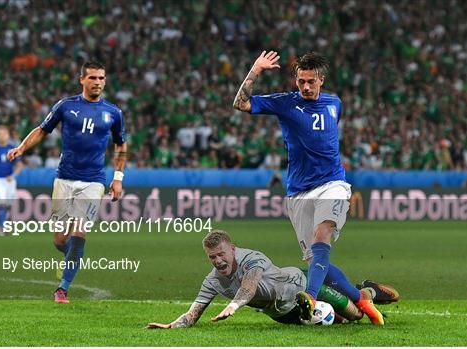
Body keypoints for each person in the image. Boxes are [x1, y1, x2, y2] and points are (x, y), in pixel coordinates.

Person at [232, 51, 385, 324]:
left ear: (321, 80)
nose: (305, 87)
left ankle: (310, 298)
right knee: (317, 260)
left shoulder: (334, 103)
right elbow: (240, 103)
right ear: (295, 80)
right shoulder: (285, 103)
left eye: (310, 81)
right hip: (299, 192)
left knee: (322, 235)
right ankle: (362, 296)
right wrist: (255, 69)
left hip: (333, 184)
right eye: (301, 81)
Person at [7, 61, 127, 303]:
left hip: (94, 181)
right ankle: (72, 255)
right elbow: (42, 130)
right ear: (81, 80)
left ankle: (62, 288)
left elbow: (120, 143)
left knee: (80, 231)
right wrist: (21, 147)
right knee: (60, 240)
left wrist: (118, 178)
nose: (97, 82)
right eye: (92, 78)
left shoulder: (113, 113)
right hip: (64, 178)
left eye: (101, 78)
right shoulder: (66, 106)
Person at [147, 230, 399, 329]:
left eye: (221, 254)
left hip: (301, 287)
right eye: (211, 257)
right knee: (339, 321)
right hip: (283, 313)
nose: (217, 261)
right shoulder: (212, 280)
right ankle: (355, 294)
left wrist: (233, 306)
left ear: (232, 249)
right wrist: (171, 326)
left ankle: (366, 292)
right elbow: (193, 313)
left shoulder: (251, 259)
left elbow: (250, 285)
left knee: (354, 316)